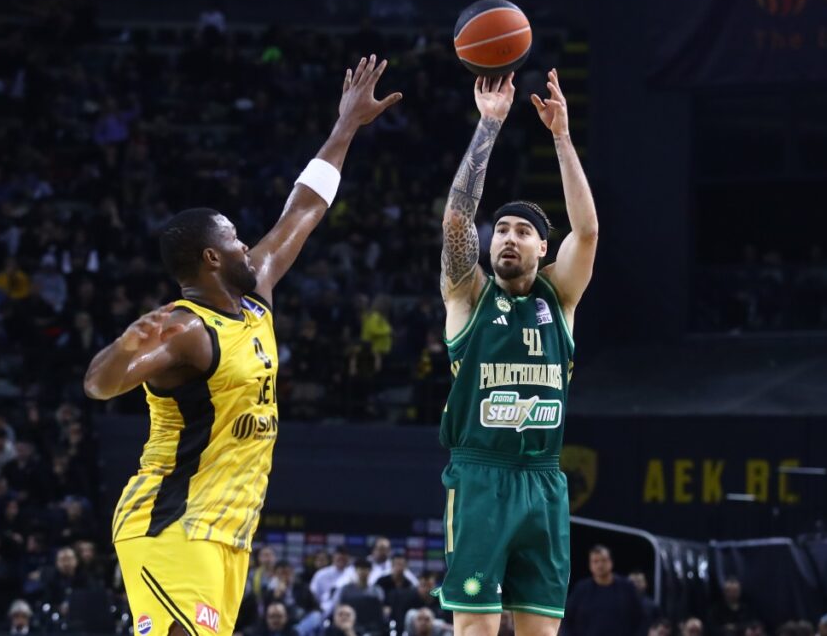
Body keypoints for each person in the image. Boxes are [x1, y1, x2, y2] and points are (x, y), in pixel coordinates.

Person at [83, 55, 401, 636]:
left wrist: (346, 125)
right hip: (171, 523)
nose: (245, 246)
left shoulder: (255, 297)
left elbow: (305, 207)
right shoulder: (185, 330)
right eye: (233, 239)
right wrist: (125, 348)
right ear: (211, 258)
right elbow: (100, 386)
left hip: (228, 532)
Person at [435, 68, 598, 636]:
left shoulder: (561, 296)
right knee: (476, 628)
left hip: (544, 480)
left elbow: (588, 231)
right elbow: (458, 218)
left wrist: (562, 137)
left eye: (522, 231)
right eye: (501, 229)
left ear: (542, 247)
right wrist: (489, 125)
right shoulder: (468, 293)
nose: (507, 236)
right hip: (481, 476)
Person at [561, 546, 643, 636]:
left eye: (604, 560)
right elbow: (567, 619)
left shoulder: (626, 588)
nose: (600, 565)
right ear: (590, 565)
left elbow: (641, 618)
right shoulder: (581, 589)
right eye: (595, 561)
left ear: (611, 562)